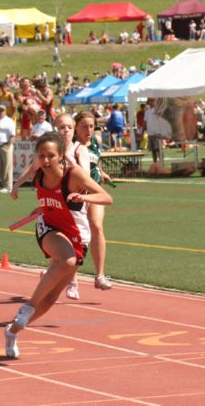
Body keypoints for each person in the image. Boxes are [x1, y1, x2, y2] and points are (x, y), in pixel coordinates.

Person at [4, 132, 113, 358]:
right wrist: (16, 185)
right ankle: (26, 309)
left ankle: (13, 329)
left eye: (50, 156)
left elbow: (106, 197)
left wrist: (84, 198)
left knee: (51, 298)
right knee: (67, 259)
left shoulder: (74, 175)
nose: (45, 161)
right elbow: (30, 172)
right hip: (49, 228)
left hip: (76, 234)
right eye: (41, 156)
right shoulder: (38, 172)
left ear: (62, 156)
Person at [74, 111, 114, 290]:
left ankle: (100, 275)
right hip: (78, 193)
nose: (88, 130)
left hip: (95, 190)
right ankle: (68, 274)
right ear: (76, 128)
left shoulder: (96, 142)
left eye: (91, 126)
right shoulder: (72, 146)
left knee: (96, 226)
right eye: (84, 126)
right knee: (75, 233)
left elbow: (95, 162)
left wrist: (102, 172)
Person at [0, 103, 16, 193]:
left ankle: (9, 186)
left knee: (7, 167)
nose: (0, 112)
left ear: (5, 111)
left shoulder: (9, 121)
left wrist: (8, 145)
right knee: (1, 167)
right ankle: (4, 185)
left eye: (2, 110)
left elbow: (12, 135)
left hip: (6, 145)